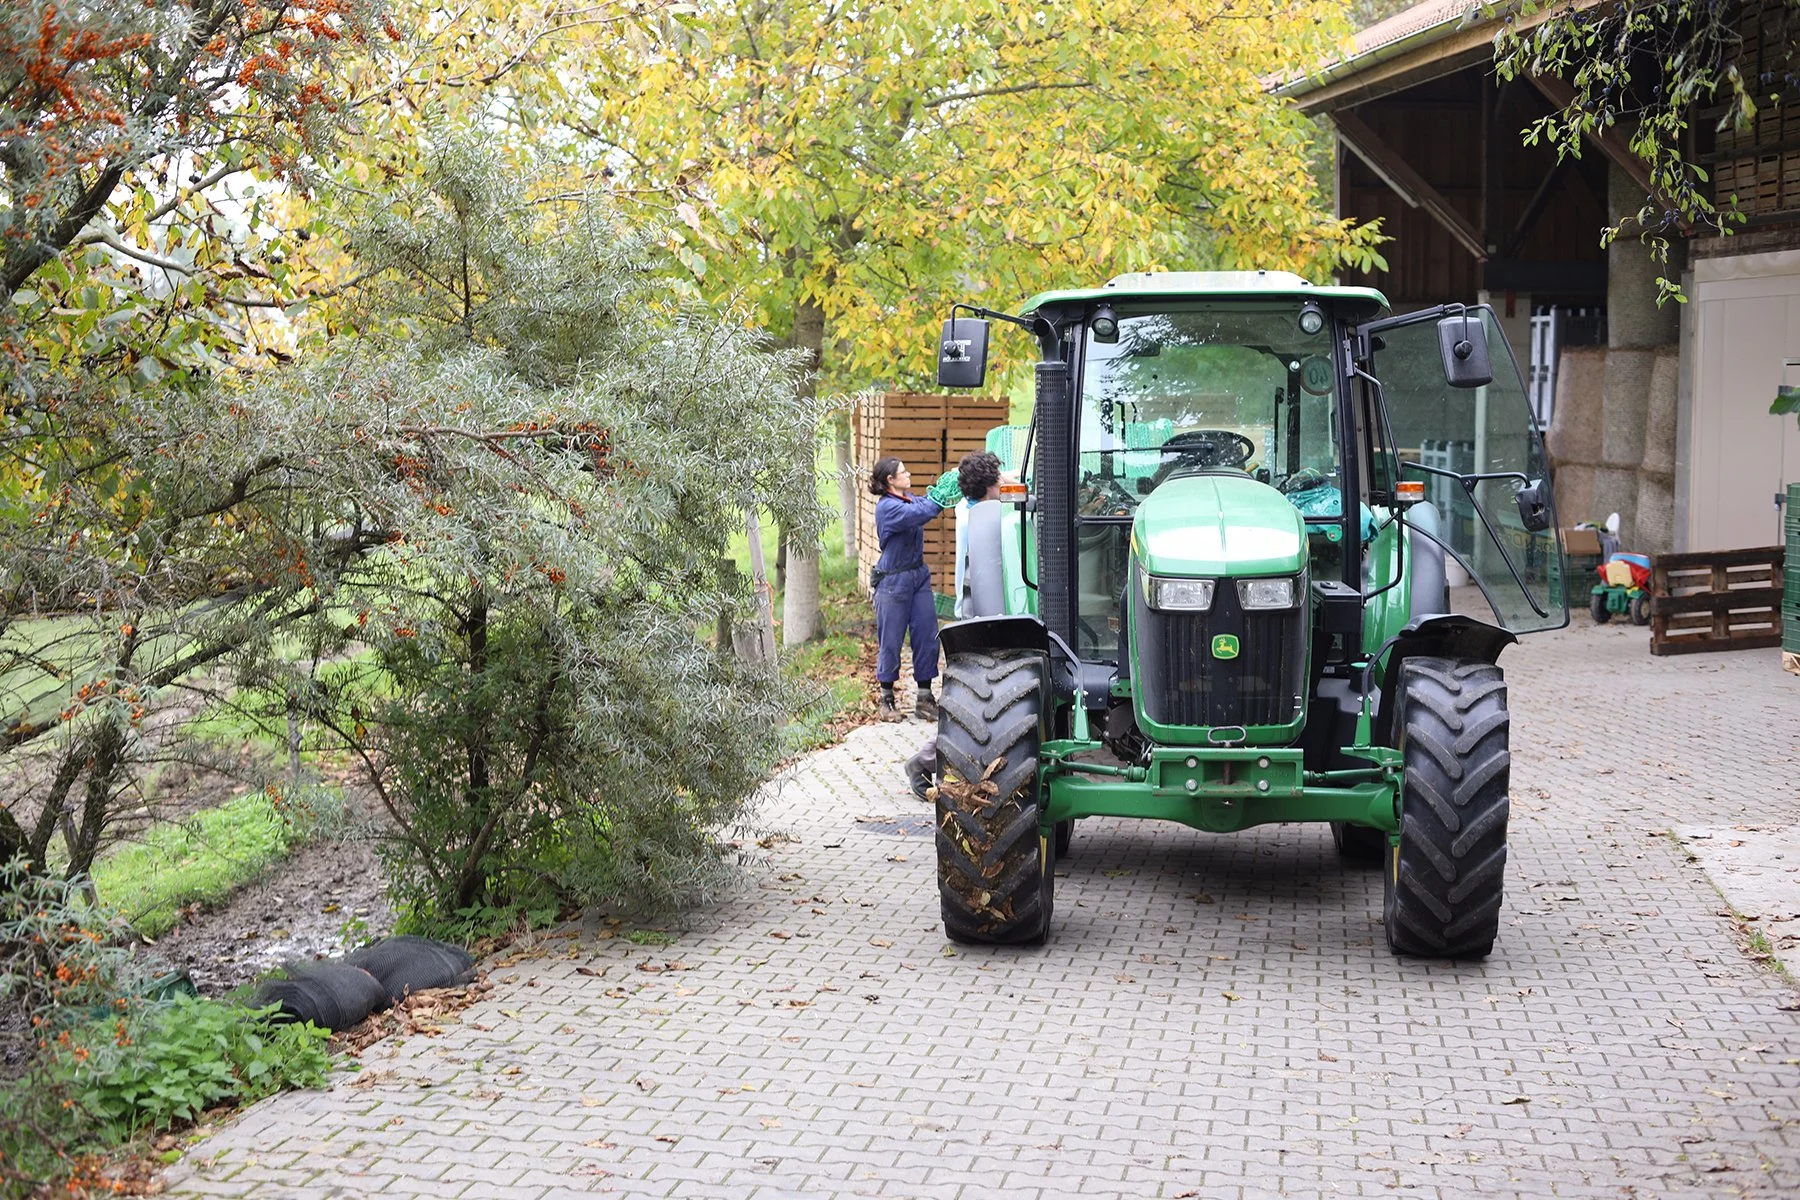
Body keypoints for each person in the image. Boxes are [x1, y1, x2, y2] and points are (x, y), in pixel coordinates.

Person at [903, 451, 1007, 801]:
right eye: (998, 478)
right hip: (977, 616)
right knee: (970, 704)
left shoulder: (968, 507)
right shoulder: (983, 515)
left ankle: (933, 759)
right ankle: (924, 760)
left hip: (972, 613)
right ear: (991, 485)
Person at [868, 457, 959, 721]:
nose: (908, 475)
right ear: (890, 480)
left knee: (927, 636)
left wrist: (948, 485)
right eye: (903, 472)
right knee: (891, 641)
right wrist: (940, 496)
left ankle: (924, 698)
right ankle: (886, 700)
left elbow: (926, 504)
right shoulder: (888, 508)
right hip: (893, 581)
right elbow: (923, 513)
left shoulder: (908, 498)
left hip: (918, 577)